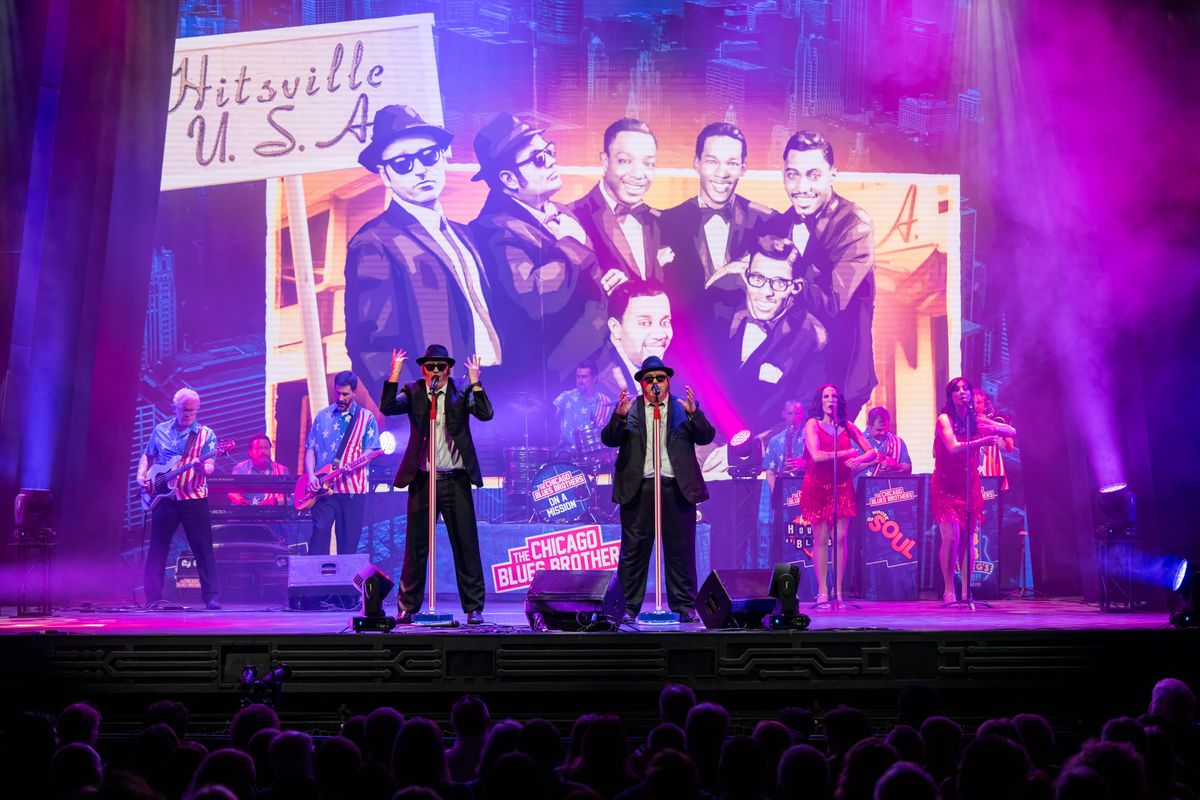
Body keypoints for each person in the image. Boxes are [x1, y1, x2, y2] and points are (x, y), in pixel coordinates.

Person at [345, 104, 502, 398]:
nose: (419, 170)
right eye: (403, 163)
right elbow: (370, 345)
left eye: (428, 156)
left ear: (444, 158)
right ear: (385, 175)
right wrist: (414, 406)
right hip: (438, 401)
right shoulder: (373, 242)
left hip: (495, 388)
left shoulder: (464, 234)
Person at [468, 113, 604, 387]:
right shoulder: (493, 230)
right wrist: (569, 245)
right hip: (547, 382)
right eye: (539, 159)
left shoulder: (558, 211)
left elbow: (588, 271)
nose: (552, 160)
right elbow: (535, 296)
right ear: (508, 179)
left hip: (592, 366)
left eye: (550, 151)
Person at [755, 131, 877, 422]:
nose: (801, 187)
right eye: (793, 175)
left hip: (840, 382)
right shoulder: (778, 225)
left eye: (813, 175)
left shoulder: (855, 225)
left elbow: (832, 304)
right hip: (791, 377)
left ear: (833, 174)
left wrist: (788, 273)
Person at [380, 344, 493, 624]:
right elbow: (388, 407)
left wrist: (476, 381)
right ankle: (407, 607)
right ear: (423, 369)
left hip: (455, 478)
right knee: (416, 546)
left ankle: (473, 607)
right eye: (430, 366)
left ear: (449, 369)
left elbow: (485, 413)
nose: (435, 371)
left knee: (465, 545)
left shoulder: (461, 391)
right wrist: (393, 374)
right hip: (422, 478)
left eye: (441, 366)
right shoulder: (415, 391)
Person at [601, 355, 716, 622]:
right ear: (641, 383)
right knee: (633, 552)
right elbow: (608, 439)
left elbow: (707, 435)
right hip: (638, 489)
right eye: (649, 379)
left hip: (676, 487)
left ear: (668, 381)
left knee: (681, 550)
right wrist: (618, 418)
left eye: (660, 378)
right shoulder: (629, 409)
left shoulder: (682, 407)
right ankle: (628, 606)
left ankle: (685, 606)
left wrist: (694, 414)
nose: (655, 383)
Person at [660, 122, 775, 321]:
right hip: (683, 343)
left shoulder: (767, 221)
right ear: (696, 164)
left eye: (731, 163)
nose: (722, 173)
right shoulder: (665, 223)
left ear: (743, 169)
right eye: (712, 161)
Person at [716, 235, 828, 433]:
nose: (765, 292)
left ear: (796, 287)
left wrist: (751, 446)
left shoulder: (813, 337)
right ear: (746, 276)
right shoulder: (722, 314)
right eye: (758, 278)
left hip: (766, 454)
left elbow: (807, 417)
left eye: (778, 283)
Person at [932, 377, 1016, 603]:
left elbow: (1011, 431)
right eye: (957, 390)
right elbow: (953, 448)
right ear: (950, 396)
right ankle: (949, 590)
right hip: (945, 486)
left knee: (968, 538)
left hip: (968, 486)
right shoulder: (944, 419)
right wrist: (983, 440)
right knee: (951, 537)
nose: (962, 393)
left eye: (965, 389)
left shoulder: (974, 420)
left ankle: (966, 590)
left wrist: (996, 425)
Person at [137, 388, 222, 609]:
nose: (189, 415)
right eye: (184, 410)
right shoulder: (160, 430)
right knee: (157, 549)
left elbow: (210, 467)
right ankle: (153, 598)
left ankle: (211, 597)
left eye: (193, 411)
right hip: (164, 499)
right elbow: (148, 455)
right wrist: (141, 476)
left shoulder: (206, 434)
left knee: (203, 548)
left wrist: (203, 468)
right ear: (174, 408)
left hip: (193, 498)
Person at [570, 118, 673, 291]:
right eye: (625, 161)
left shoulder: (659, 221)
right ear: (605, 162)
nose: (639, 174)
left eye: (648, 164)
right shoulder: (574, 218)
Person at [799, 384, 876, 603]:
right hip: (817, 486)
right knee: (821, 539)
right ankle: (823, 590)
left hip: (842, 486)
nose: (830, 399)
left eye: (833, 396)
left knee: (840, 538)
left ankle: (839, 591)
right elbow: (816, 455)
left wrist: (857, 459)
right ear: (820, 401)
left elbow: (871, 452)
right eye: (826, 396)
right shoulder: (812, 424)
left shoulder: (848, 426)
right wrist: (847, 452)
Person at [304, 371, 381, 556]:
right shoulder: (322, 416)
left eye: (345, 394)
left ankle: (344, 584)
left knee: (348, 544)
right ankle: (316, 580)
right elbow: (310, 449)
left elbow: (371, 450)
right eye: (337, 393)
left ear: (354, 392)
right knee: (320, 533)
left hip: (352, 491)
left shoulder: (366, 418)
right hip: (323, 489)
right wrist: (311, 476)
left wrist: (355, 463)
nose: (340, 397)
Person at [590, 280, 673, 400]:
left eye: (665, 322)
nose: (660, 334)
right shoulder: (600, 389)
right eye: (644, 323)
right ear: (616, 328)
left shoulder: (674, 370)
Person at [551, 359, 614, 461]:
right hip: (568, 455)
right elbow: (547, 413)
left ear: (594, 378)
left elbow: (611, 433)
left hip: (597, 456)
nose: (580, 381)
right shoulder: (565, 397)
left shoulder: (605, 402)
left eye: (584, 377)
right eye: (578, 376)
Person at [229, 434, 289, 506]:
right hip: (245, 514)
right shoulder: (240, 468)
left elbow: (287, 496)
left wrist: (275, 501)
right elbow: (232, 491)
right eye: (258, 448)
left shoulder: (282, 470)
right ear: (250, 452)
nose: (263, 451)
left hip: (271, 515)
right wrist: (242, 502)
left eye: (266, 448)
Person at [974, 389, 1015, 490]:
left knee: (995, 505)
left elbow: (1009, 447)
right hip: (973, 473)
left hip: (992, 472)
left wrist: (1004, 431)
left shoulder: (993, 422)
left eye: (979, 402)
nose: (976, 406)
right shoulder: (964, 423)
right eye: (972, 402)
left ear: (984, 404)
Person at [861, 407, 912, 476]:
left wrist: (895, 465)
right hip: (863, 486)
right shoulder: (857, 442)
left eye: (886, 429)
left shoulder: (898, 442)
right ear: (869, 425)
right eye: (878, 430)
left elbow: (908, 469)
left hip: (891, 486)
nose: (883, 433)